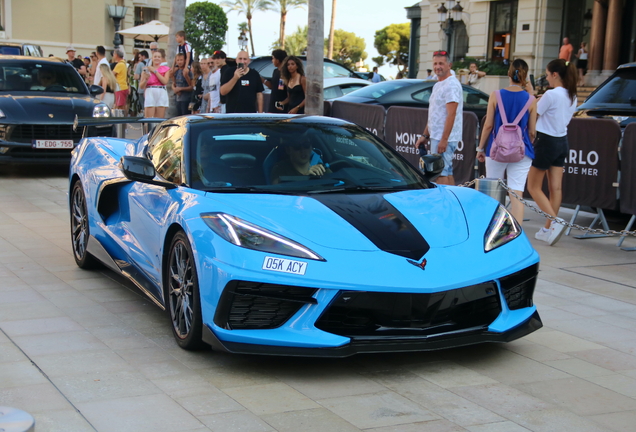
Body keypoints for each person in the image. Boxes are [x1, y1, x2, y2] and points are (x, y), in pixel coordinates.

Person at [476, 59, 537, 225]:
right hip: (521, 151)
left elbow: (488, 125)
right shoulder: (531, 100)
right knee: (517, 193)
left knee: (493, 193)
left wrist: (480, 148)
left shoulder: (496, 95)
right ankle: (516, 237)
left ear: (509, 74)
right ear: (525, 77)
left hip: (496, 149)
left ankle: (492, 230)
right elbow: (532, 131)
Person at [527, 59, 578, 246]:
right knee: (555, 188)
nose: (547, 77)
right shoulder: (572, 95)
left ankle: (554, 223)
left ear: (555, 74)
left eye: (548, 74)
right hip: (562, 141)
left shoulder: (551, 94)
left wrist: (533, 97)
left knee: (533, 187)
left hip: (546, 140)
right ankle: (548, 228)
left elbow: (534, 113)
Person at [415, 50, 463, 185]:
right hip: (437, 136)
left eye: (441, 63)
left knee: (440, 172)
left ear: (449, 65)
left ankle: (446, 204)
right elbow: (434, 114)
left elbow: (451, 114)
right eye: (435, 63)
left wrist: (444, 140)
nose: (437, 67)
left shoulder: (451, 84)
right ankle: (454, 202)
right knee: (446, 171)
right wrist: (425, 135)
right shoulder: (438, 84)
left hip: (444, 138)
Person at [139, 50, 170, 118]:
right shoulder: (146, 69)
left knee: (159, 119)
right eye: (155, 56)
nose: (157, 58)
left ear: (161, 59)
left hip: (161, 91)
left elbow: (165, 81)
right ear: (152, 58)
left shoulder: (166, 69)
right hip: (150, 91)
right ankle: (148, 128)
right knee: (149, 119)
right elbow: (141, 86)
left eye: (159, 57)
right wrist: (145, 80)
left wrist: (155, 71)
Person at [264, 49, 288, 113]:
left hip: (282, 104)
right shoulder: (275, 71)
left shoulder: (286, 73)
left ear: (277, 60)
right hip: (273, 103)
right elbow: (273, 86)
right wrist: (262, 80)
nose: (272, 61)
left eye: (273, 58)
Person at [112, 48, 129, 116]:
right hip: (122, 87)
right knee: (121, 104)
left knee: (119, 106)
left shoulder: (120, 64)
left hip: (120, 87)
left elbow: (112, 74)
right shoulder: (123, 63)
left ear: (116, 55)